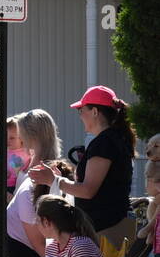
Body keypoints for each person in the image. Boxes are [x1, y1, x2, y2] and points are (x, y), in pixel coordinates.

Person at [29, 86, 137, 242]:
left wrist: (54, 181)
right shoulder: (112, 139)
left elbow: (87, 190)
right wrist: (61, 181)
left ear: (95, 111)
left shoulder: (105, 143)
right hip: (110, 226)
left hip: (107, 230)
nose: (80, 116)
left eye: (82, 110)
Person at [0, 110, 63, 257]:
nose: (13, 141)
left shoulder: (39, 177)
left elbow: (40, 241)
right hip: (21, 253)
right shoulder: (39, 172)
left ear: (28, 138)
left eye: (18, 135)